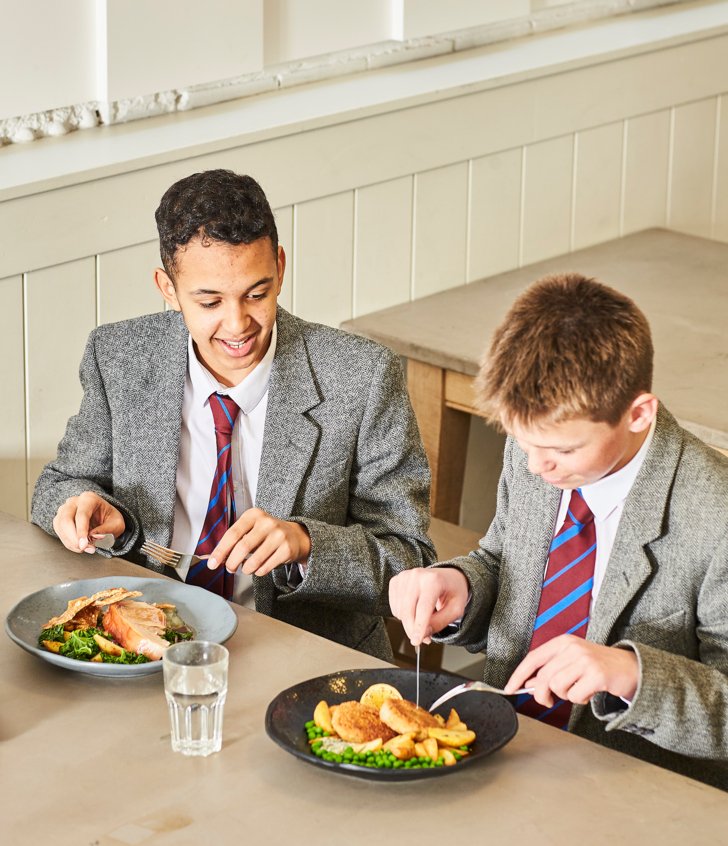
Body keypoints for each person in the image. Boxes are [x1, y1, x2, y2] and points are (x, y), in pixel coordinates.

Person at [31, 168, 435, 660]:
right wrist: (85, 506)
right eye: (209, 301)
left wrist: (306, 542)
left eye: (257, 293)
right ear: (167, 288)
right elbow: (57, 487)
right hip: (144, 643)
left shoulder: (363, 377)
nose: (239, 324)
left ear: (280, 267)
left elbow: (409, 557)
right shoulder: (117, 356)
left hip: (301, 653)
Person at [389, 273, 728, 789]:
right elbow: (505, 563)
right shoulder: (538, 444)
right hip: (501, 753)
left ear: (639, 413)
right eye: (520, 440)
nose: (537, 467)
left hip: (629, 790)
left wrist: (629, 674)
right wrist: (461, 585)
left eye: (563, 451)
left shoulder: (715, 512)